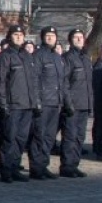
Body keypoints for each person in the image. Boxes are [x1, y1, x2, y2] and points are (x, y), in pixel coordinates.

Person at [0, 25, 37, 183]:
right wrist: (3, 103)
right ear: (10, 37)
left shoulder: (27, 55)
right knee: (9, 138)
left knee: (21, 139)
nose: (19, 37)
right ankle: (6, 169)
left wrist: (34, 101)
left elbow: (33, 81)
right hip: (12, 104)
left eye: (21, 35)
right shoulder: (5, 56)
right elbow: (0, 82)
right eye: (15, 34)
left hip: (27, 104)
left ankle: (15, 167)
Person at [27, 26, 66, 180]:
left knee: (49, 137)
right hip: (42, 102)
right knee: (39, 136)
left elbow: (61, 82)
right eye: (47, 36)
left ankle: (44, 165)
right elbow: (34, 80)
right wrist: (36, 101)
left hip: (55, 102)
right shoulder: (38, 55)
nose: (50, 38)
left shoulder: (57, 57)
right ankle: (36, 167)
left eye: (53, 36)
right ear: (42, 38)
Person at [59, 28, 94, 178]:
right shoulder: (67, 58)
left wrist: (90, 105)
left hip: (84, 104)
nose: (79, 40)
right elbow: (64, 82)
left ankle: (74, 164)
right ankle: (66, 166)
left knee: (80, 136)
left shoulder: (86, 59)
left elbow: (89, 85)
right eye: (76, 38)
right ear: (70, 40)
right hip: (72, 104)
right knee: (70, 136)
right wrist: (68, 103)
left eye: (81, 37)